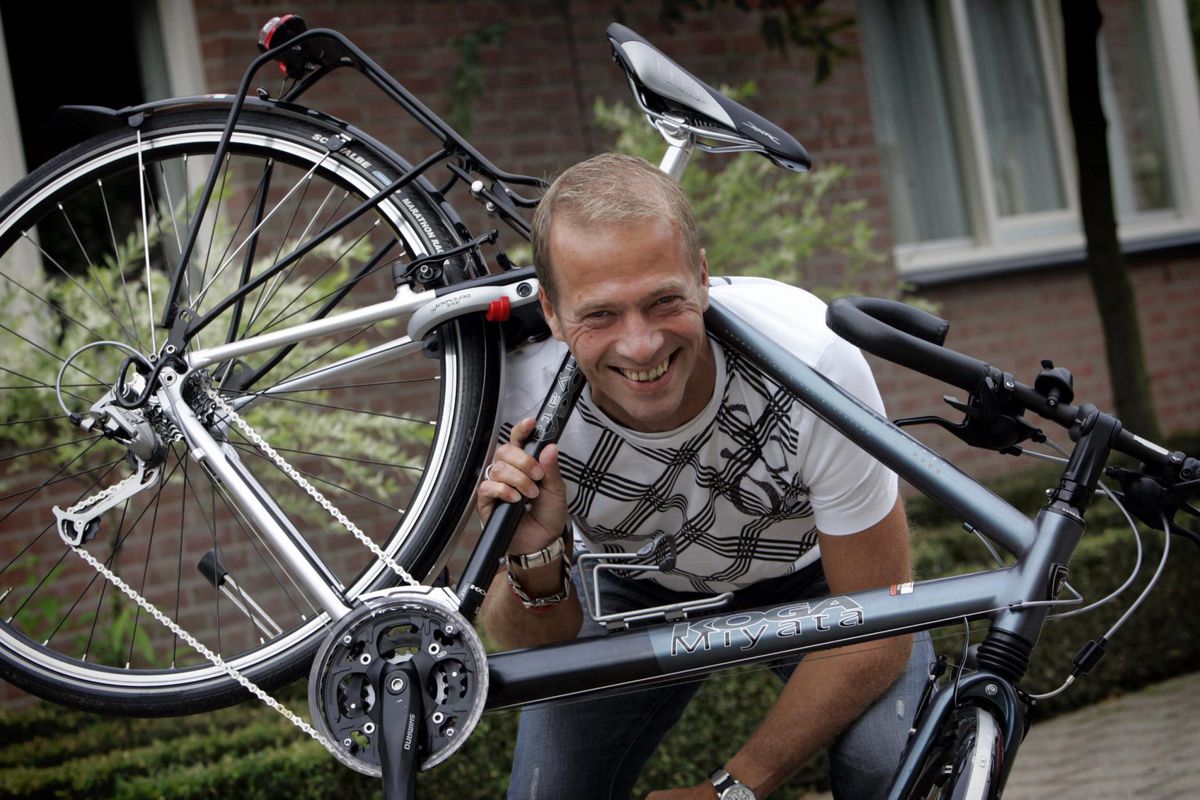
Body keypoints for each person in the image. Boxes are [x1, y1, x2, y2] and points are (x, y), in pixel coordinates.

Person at [476, 153, 933, 800]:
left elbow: (882, 625)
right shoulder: (519, 404)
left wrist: (733, 789)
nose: (640, 346)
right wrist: (538, 559)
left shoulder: (814, 362)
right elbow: (530, 639)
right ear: (549, 311)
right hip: (630, 584)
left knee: (892, 769)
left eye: (664, 301)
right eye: (600, 314)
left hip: (812, 576)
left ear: (703, 277)